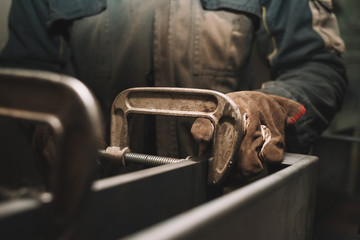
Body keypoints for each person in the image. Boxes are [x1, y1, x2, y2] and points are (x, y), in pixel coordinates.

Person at [0, 0, 347, 179]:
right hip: (99, 200)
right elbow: (26, 71)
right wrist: (52, 119)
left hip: (228, 197)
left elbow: (315, 64)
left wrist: (264, 108)